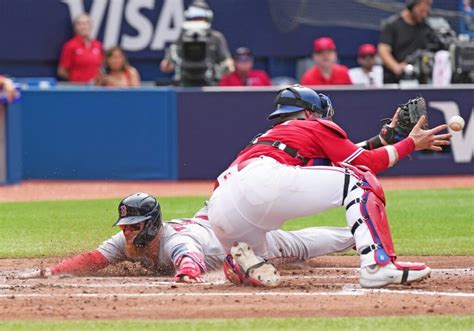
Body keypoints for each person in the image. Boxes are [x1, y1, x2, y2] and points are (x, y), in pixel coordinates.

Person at [207, 84, 451, 288]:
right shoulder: (315, 125)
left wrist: (383, 139)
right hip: (261, 184)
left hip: (222, 207)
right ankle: (378, 264)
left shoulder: (271, 136)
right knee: (359, 180)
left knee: (290, 247)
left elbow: (336, 157)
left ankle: (241, 263)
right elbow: (366, 163)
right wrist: (410, 143)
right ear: (309, 112)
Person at [18, 192, 355, 283]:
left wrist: (186, 275)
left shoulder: (174, 242)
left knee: (296, 247)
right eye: (125, 225)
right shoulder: (126, 242)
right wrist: (53, 272)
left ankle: (356, 234)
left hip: (238, 241)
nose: (127, 231)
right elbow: (93, 259)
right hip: (208, 221)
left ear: (150, 225)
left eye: (134, 226)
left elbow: (188, 259)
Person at [160, 1, 234, 86]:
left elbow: (228, 64)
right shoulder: (182, 37)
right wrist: (169, 62)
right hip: (184, 83)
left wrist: (225, 68)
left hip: (209, 84)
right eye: (194, 18)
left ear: (208, 18)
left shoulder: (216, 37)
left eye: (201, 18)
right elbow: (166, 67)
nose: (198, 21)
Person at [378, 0, 433, 84]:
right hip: (395, 82)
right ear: (412, 6)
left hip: (420, 81)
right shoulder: (392, 25)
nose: (424, 15)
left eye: (426, 11)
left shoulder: (426, 26)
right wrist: (396, 67)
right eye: (421, 11)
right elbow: (383, 50)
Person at [58, 13, 104, 84]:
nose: (83, 26)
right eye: (80, 24)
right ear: (75, 27)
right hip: (78, 87)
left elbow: (101, 66)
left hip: (95, 87)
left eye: (86, 23)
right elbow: (62, 71)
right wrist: (76, 81)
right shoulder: (70, 45)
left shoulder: (98, 45)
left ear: (91, 26)